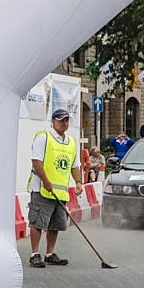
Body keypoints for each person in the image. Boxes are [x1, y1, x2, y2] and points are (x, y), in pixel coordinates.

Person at [26, 109, 83, 268]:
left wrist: (78, 182)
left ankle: (50, 253)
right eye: (60, 120)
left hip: (60, 191)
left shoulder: (71, 141)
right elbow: (36, 162)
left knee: (55, 224)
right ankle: (35, 254)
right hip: (42, 188)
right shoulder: (44, 137)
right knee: (38, 221)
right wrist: (46, 180)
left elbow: (75, 165)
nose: (64, 123)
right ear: (53, 121)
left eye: (66, 120)